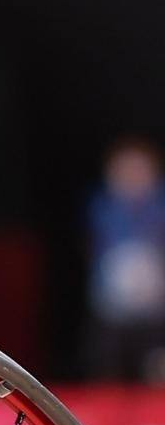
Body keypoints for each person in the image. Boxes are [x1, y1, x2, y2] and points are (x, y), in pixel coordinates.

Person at [85, 136, 165, 381]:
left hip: (156, 312)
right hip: (112, 311)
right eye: (124, 169)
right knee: (106, 369)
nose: (132, 176)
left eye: (138, 169)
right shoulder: (101, 208)